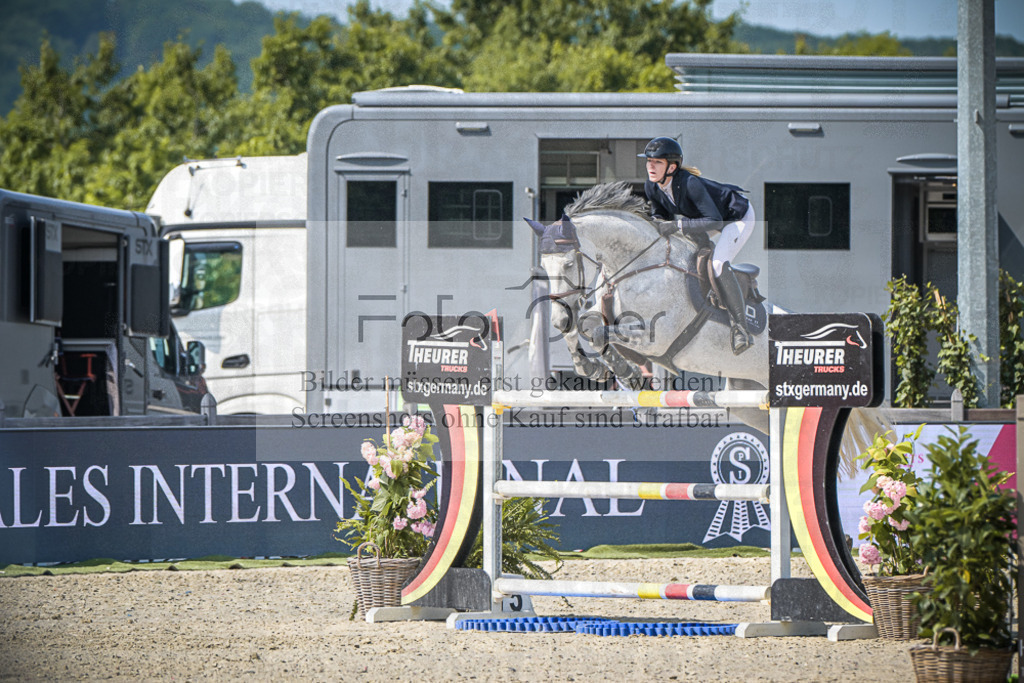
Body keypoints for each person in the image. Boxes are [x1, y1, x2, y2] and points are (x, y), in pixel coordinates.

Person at [639, 136, 755, 355]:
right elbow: (660, 215)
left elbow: (715, 220)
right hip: (708, 218)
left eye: (657, 162)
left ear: (671, 167)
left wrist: (678, 226)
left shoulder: (690, 183)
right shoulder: (651, 186)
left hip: (735, 217)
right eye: (648, 161)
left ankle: (741, 328)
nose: (650, 166)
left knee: (718, 264)